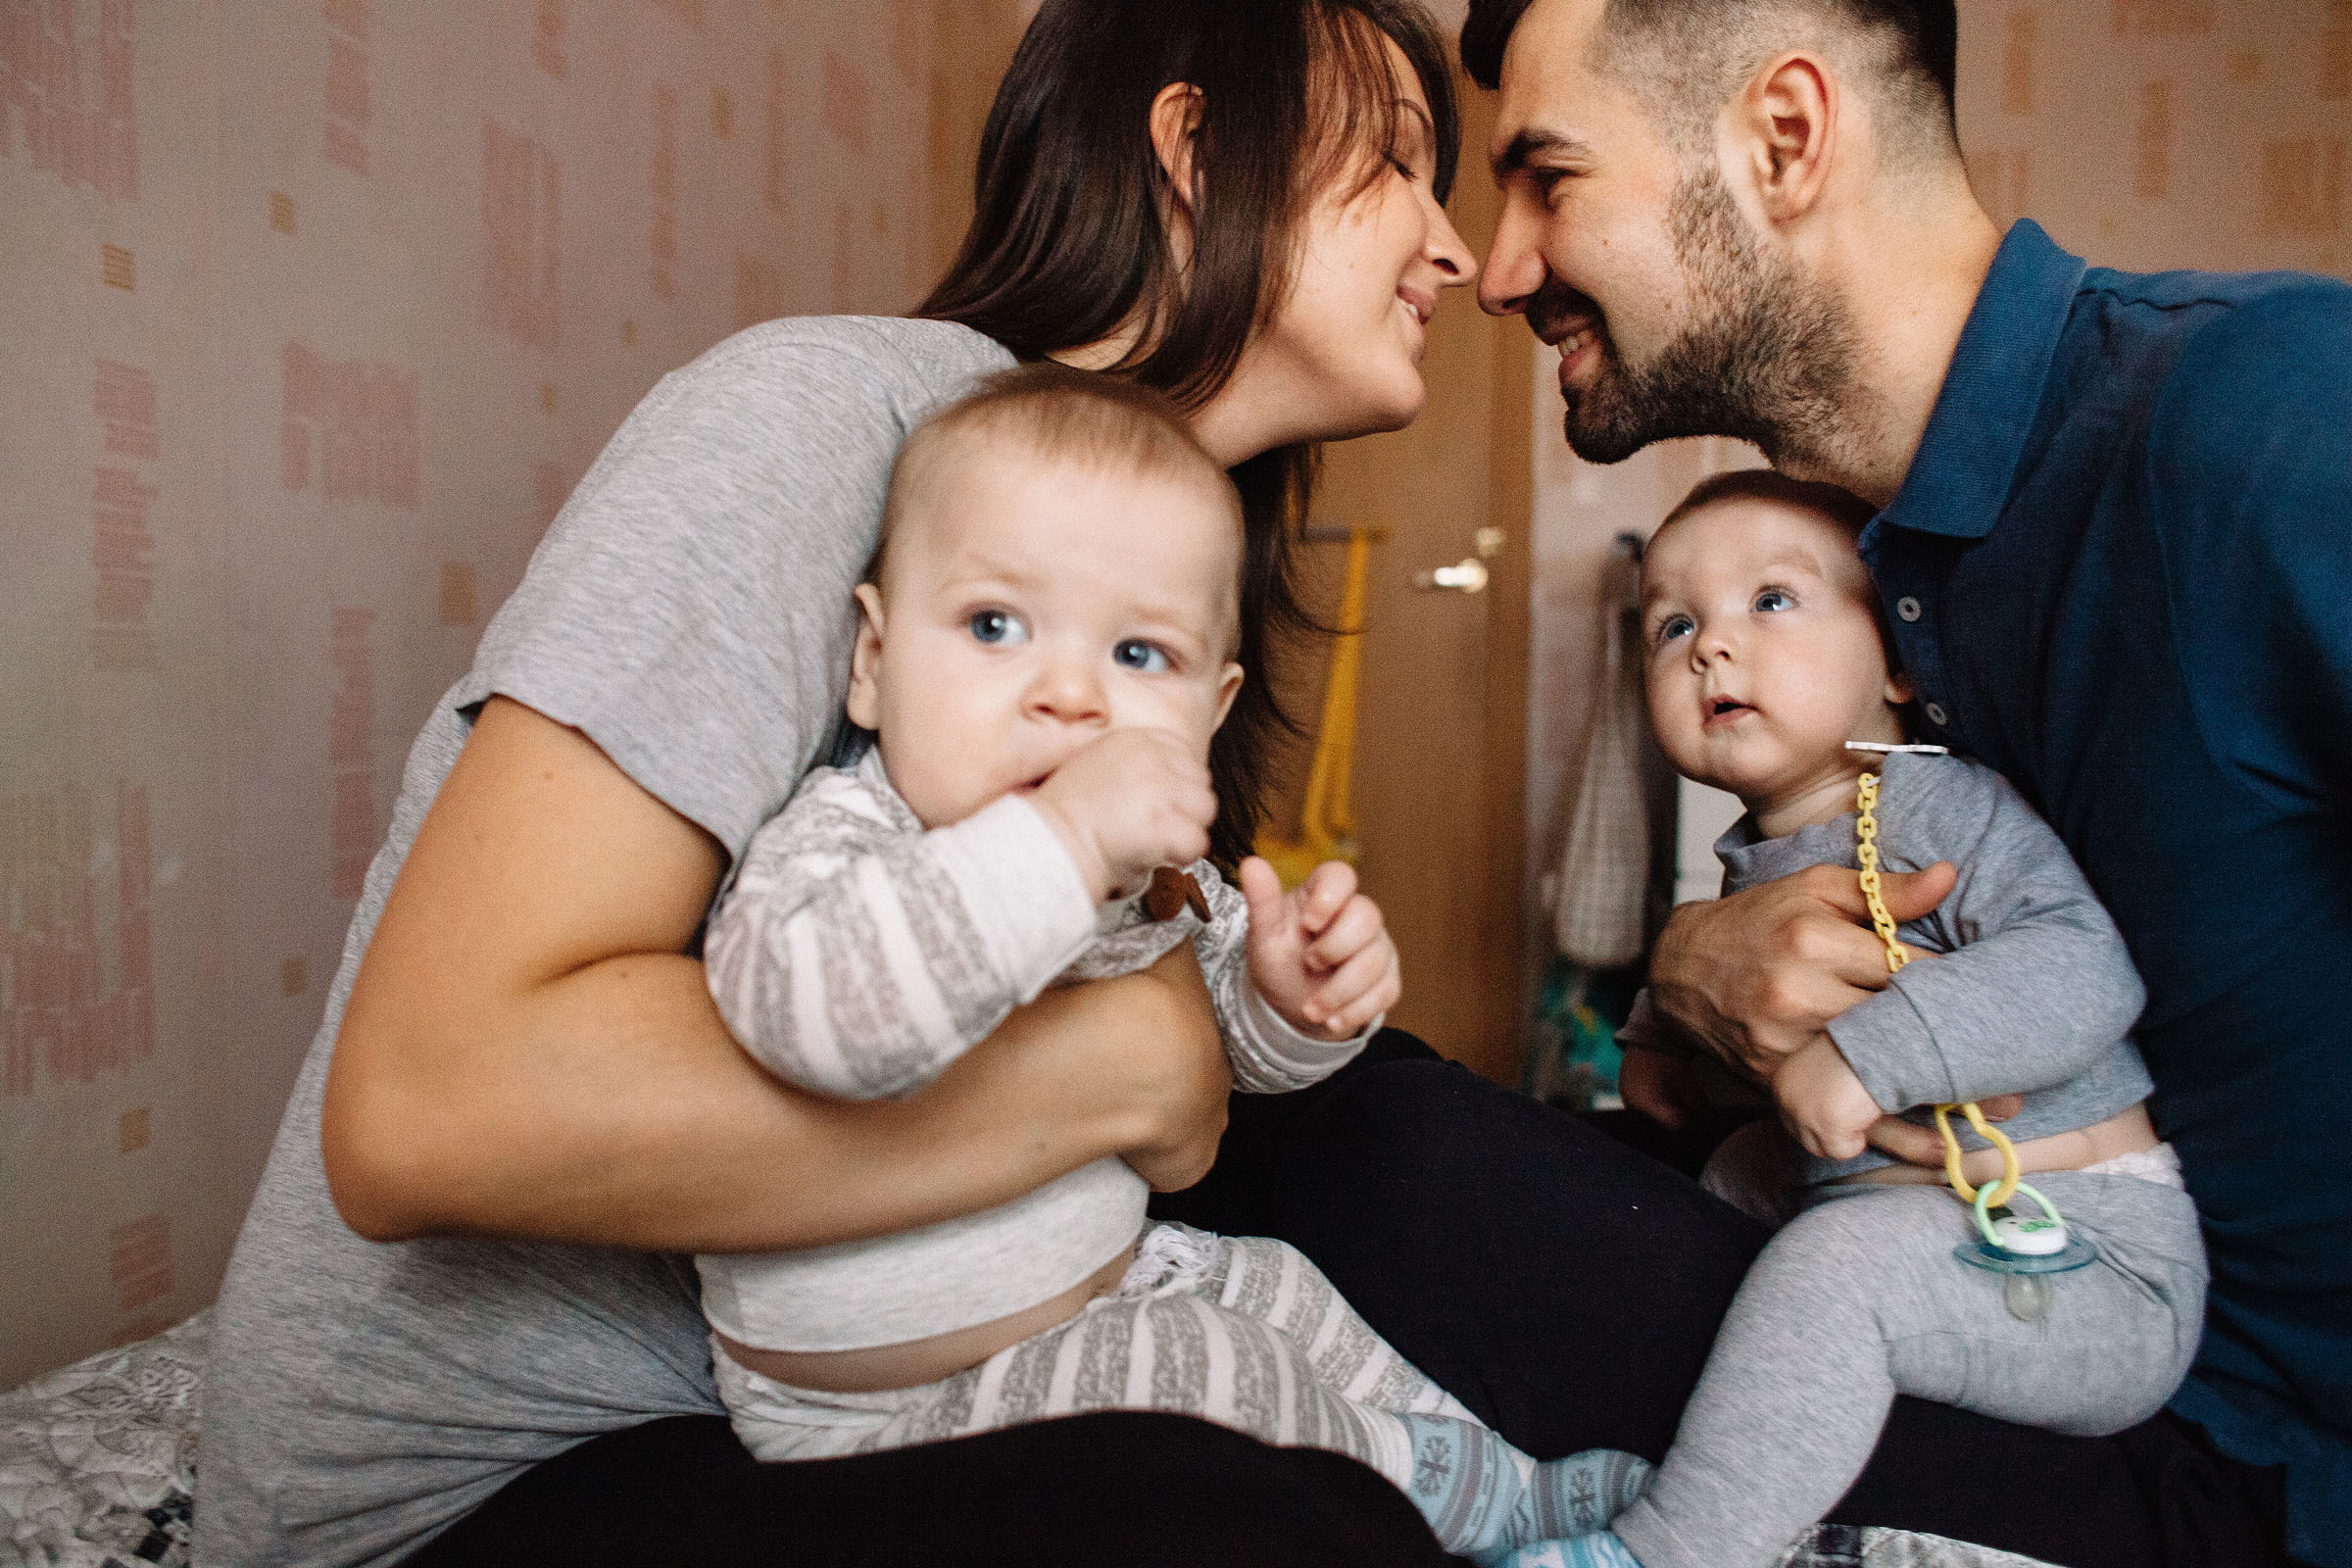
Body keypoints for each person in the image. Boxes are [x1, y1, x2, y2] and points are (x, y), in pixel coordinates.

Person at [191, 3, 1487, 1565]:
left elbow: (1182, 1006)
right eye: (1397, 163)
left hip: (866, 1380)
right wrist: (1133, 1058)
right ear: (1196, 153)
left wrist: (1255, 1011)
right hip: (488, 1492)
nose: (1459, 250)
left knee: (1399, 1109)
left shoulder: (1164, 571)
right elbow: (427, 1102)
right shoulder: (825, 418)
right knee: (1243, 1517)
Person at [1460, 1, 2350, 1564]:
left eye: (1549, 178)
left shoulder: (2269, 415)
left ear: (1786, 138)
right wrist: (1692, 972)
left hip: (2243, 1445)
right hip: (1973, 1279)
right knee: (1424, 1148)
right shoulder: (1861, 572)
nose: (1498, 268)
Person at [696, 365, 1644, 1562]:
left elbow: (1225, 1051)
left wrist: (1290, 1002)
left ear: (1213, 708)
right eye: (994, 627)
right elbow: (819, 1019)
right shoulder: (848, 836)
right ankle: (1448, 1504)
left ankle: (1495, 1480)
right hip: (873, 1408)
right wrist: (1059, 842)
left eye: (1139, 654)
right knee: (1201, 1366)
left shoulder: (1145, 874)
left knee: (1281, 1291)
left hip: (1101, 1285)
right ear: (874, 662)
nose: (1069, 696)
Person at [1531, 470, 2207, 1568]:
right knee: (1711, 1192)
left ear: (1897, 664)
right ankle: (1660, 1450)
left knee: (1830, 1271)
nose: (1711, 647)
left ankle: (1671, 1548)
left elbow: (2087, 970)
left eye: (1773, 600)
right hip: (1916, 1212)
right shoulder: (1756, 852)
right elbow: (1741, 969)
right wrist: (1662, 1028)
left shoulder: (1939, 803)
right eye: (1673, 625)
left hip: (2086, 1251)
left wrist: (1866, 1053)